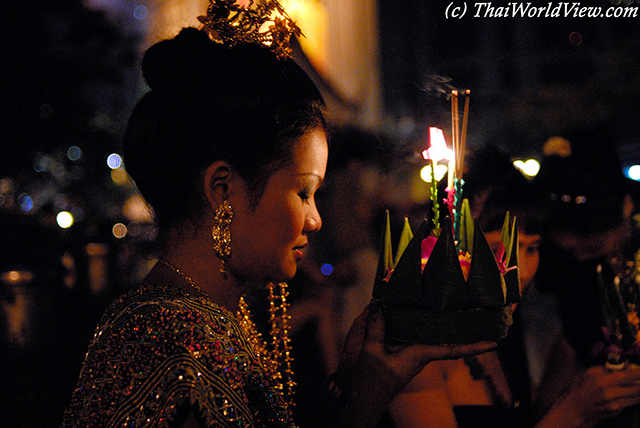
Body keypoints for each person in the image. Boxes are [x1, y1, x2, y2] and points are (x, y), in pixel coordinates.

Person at [61, 2, 494, 427]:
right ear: (223, 189)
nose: (315, 220)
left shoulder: (216, 317)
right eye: (303, 192)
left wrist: (369, 384)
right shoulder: (165, 341)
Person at [387, 146, 640, 428]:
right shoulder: (414, 355)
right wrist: (572, 413)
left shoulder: (501, 336)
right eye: (498, 248)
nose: (519, 272)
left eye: (530, 248)